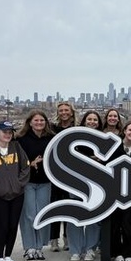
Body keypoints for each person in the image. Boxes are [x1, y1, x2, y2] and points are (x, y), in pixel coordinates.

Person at [0, 121, 30, 261]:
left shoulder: (16, 147)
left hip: (17, 194)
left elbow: (25, 167)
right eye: (4, 131)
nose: (8, 134)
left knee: (12, 226)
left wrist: (18, 185)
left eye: (10, 132)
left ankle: (8, 256)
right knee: (2, 226)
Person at [16, 110, 55, 261]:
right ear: (30, 122)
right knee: (29, 215)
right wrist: (30, 164)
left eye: (42, 120)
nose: (39, 123)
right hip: (28, 182)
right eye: (36, 120)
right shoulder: (21, 139)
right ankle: (29, 248)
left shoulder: (51, 139)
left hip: (45, 181)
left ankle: (39, 247)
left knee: (42, 214)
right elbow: (17, 161)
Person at [67, 111, 103, 261]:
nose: (92, 122)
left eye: (95, 120)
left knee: (93, 216)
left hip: (96, 184)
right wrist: (91, 158)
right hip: (76, 182)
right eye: (89, 119)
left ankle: (90, 248)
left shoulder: (102, 138)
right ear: (84, 121)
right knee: (74, 216)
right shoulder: (75, 137)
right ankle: (75, 250)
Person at [108, 120, 131, 261]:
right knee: (116, 223)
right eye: (130, 130)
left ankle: (130, 252)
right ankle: (116, 252)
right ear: (124, 131)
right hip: (114, 189)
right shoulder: (114, 147)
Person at [50, 101, 77, 249]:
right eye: (61, 110)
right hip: (54, 172)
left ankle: (67, 237)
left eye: (66, 110)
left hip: (72, 173)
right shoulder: (52, 129)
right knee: (55, 204)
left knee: (68, 205)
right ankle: (54, 238)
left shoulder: (76, 129)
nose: (64, 113)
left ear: (71, 112)